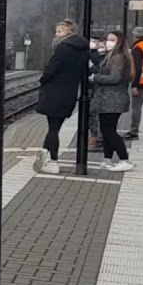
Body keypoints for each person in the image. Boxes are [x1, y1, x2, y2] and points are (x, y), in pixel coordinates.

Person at [34, 19, 90, 175]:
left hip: (55, 91)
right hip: (69, 92)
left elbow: (52, 69)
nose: (56, 34)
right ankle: (44, 153)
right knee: (56, 126)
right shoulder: (83, 49)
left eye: (59, 31)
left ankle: (53, 161)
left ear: (69, 32)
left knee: (53, 129)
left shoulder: (63, 48)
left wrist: (43, 79)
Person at [89, 30, 135, 172]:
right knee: (108, 129)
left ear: (119, 42)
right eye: (108, 39)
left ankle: (124, 159)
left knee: (108, 131)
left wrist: (96, 78)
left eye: (112, 40)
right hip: (110, 99)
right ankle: (107, 159)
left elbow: (115, 78)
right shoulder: (112, 56)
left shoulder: (118, 58)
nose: (108, 42)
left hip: (112, 99)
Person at [87, 32, 106, 151]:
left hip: (100, 87)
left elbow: (103, 69)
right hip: (89, 87)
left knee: (95, 114)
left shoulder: (105, 55)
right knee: (90, 113)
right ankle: (95, 136)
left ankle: (97, 137)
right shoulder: (90, 53)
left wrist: (91, 68)